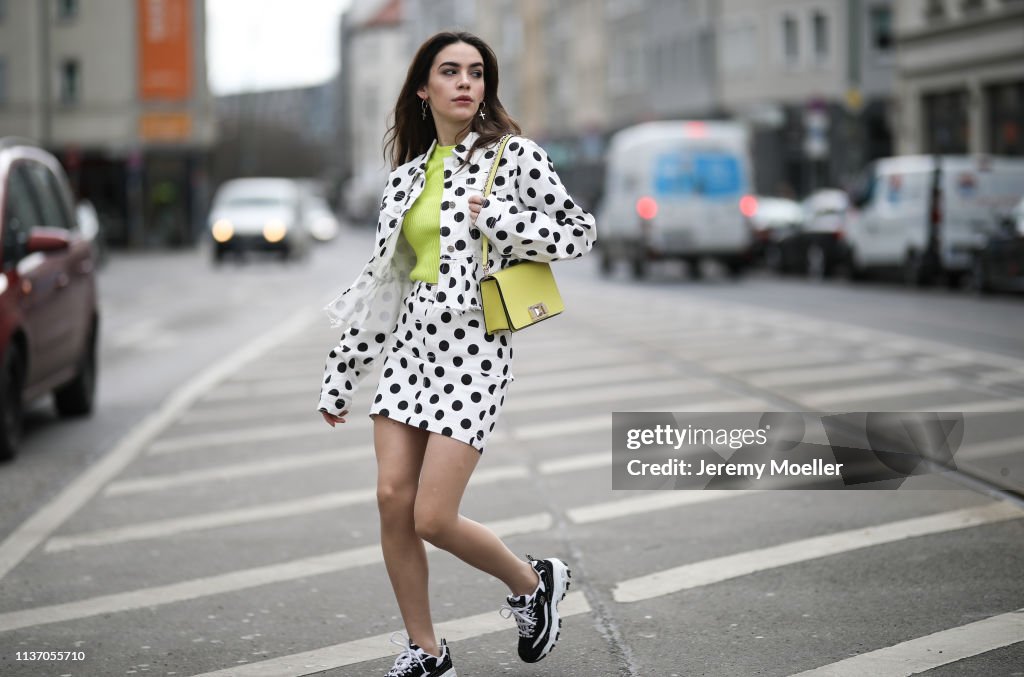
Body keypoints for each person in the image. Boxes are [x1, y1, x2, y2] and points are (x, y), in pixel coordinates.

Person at [317, 30, 596, 677]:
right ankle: (426, 649)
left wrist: (500, 218)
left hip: (475, 353)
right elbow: (384, 284)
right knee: (392, 498)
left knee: (433, 516)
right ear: (424, 87)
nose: (467, 82)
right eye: (451, 71)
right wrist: (342, 375)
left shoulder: (515, 157)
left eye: (476, 72)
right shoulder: (405, 179)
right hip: (409, 353)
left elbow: (579, 233)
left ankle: (533, 583)